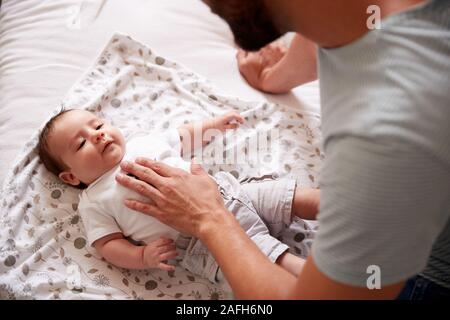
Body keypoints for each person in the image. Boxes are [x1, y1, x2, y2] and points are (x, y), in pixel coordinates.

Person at [116, 0, 450, 299]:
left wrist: (209, 217)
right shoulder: (362, 13)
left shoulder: (391, 131)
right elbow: (331, 25)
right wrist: (275, 77)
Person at [37, 108, 319, 284]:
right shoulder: (94, 201)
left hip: (226, 191)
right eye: (82, 142)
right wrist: (142, 256)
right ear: (71, 177)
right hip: (199, 242)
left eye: (97, 126)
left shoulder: (142, 142)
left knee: (291, 195)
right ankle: (317, 280)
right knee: (267, 258)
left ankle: (347, 207)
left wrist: (214, 125)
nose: (97, 135)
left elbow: (184, 136)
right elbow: (107, 244)